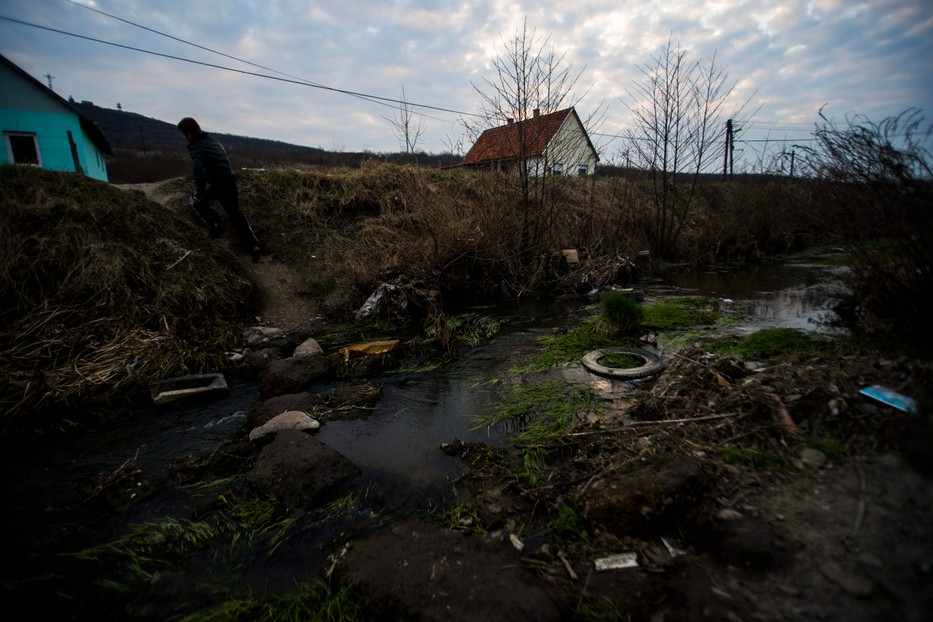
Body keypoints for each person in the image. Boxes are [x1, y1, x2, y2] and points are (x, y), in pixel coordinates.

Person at [177, 117, 262, 262]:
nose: (185, 138)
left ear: (189, 134)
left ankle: (214, 225)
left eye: (184, 134)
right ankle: (253, 245)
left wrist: (200, 191)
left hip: (217, 184)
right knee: (235, 214)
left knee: (194, 200)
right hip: (230, 180)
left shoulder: (197, 146)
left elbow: (199, 172)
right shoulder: (211, 140)